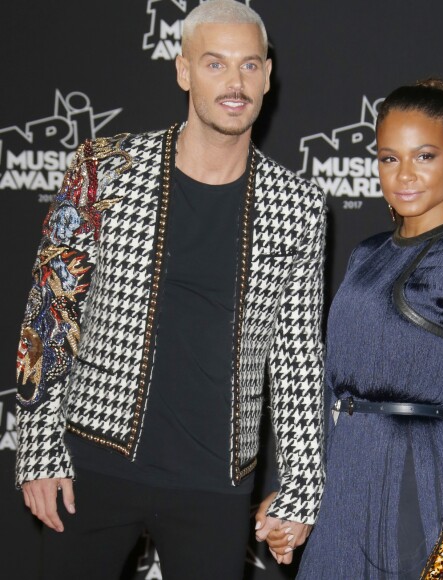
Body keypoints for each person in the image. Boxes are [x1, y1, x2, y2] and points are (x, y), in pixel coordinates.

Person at [14, 1, 325, 578]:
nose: (235, 83)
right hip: (92, 465)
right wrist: (36, 447)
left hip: (215, 483)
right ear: (183, 70)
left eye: (250, 66)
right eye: (215, 64)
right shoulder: (105, 167)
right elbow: (52, 310)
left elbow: (298, 352)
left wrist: (303, 483)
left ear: (268, 74)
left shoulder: (297, 205)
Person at [269, 79, 443, 579]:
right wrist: (296, 484)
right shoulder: (365, 254)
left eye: (424, 156)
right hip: (347, 484)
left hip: (421, 491)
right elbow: (326, 385)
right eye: (389, 158)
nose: (404, 175)